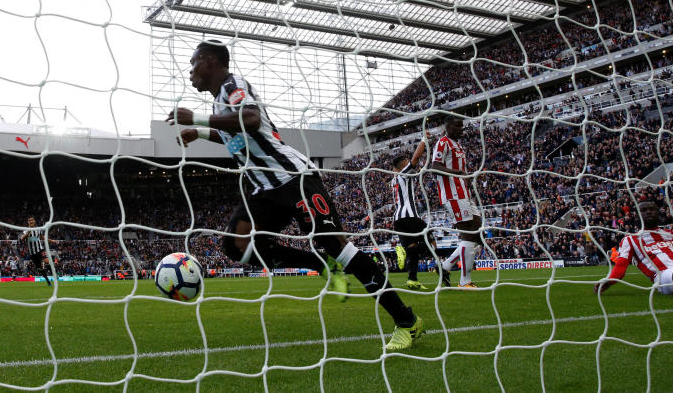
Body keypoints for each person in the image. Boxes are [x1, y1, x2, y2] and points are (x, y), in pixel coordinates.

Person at [167, 39, 423, 351]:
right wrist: (204, 132)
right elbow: (237, 137)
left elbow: (250, 120)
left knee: (338, 246)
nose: (190, 72)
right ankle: (319, 263)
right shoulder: (218, 104)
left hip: (294, 179)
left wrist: (195, 119)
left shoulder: (234, 85)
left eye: (193, 64)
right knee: (235, 245)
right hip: (264, 188)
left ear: (208, 61)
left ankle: (406, 321)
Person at [430, 116, 482, 288]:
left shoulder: (458, 146)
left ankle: (445, 266)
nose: (461, 129)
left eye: (462, 126)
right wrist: (457, 172)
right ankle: (465, 281)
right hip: (452, 194)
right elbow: (434, 167)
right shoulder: (442, 142)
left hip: (464, 194)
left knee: (477, 228)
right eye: (458, 125)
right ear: (448, 126)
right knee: (468, 233)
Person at [386, 138, 442, 290]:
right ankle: (407, 251)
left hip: (398, 219)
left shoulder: (394, 180)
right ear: (403, 164)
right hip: (410, 216)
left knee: (414, 250)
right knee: (430, 239)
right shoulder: (404, 174)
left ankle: (412, 279)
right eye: (406, 160)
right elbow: (415, 159)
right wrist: (424, 140)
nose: (409, 161)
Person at [19, 216, 53, 286]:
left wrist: (51, 240)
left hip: (40, 249)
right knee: (40, 269)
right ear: (28, 222)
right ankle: (47, 280)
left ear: (34, 221)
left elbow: (41, 237)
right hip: (32, 253)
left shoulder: (38, 229)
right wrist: (28, 232)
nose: (31, 221)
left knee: (47, 261)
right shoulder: (25, 230)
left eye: (32, 220)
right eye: (29, 220)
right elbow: (21, 239)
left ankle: (53, 273)